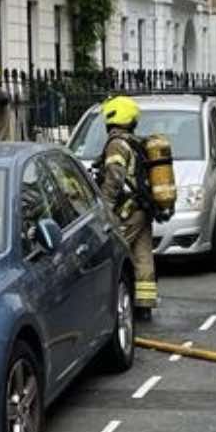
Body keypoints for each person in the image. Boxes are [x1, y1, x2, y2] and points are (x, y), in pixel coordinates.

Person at [97, 95, 156, 319]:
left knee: (115, 253)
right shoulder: (135, 142)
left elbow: (114, 177)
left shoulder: (116, 145)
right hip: (143, 208)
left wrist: (105, 207)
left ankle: (114, 306)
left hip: (127, 211)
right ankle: (145, 306)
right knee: (143, 256)